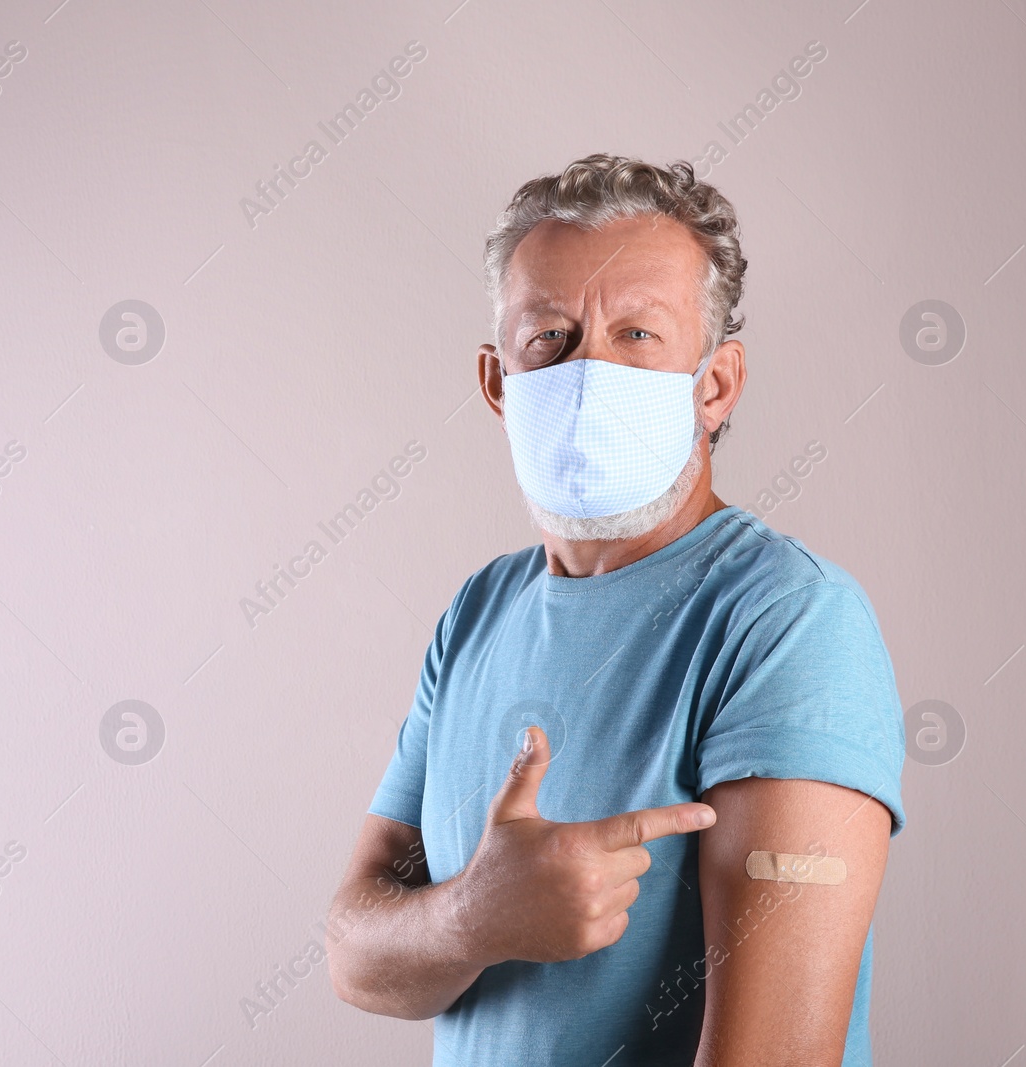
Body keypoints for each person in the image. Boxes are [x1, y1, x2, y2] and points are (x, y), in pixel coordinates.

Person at [327, 153, 906, 1066]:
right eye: (550, 337)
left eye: (637, 334)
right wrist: (474, 917)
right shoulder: (479, 613)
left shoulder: (788, 622)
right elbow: (355, 956)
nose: (590, 372)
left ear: (715, 385)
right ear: (497, 382)